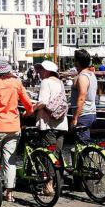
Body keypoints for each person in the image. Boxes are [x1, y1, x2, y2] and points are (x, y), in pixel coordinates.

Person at [0, 57, 33, 202]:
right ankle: (9, 193)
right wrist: (26, 113)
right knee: (10, 160)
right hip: (14, 126)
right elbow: (28, 104)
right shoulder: (16, 82)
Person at [32, 61, 68, 196]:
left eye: (40, 70)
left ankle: (48, 186)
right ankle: (58, 183)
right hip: (62, 123)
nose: (39, 72)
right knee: (57, 155)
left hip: (48, 124)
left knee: (48, 155)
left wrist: (31, 109)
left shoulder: (46, 82)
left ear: (47, 71)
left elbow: (43, 102)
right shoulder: (60, 82)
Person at [69, 49, 97, 143]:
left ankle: (87, 157)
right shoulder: (91, 75)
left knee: (82, 145)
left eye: (74, 60)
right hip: (91, 113)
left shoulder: (82, 77)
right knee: (85, 143)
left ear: (77, 62)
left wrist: (75, 118)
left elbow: (81, 98)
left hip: (83, 115)